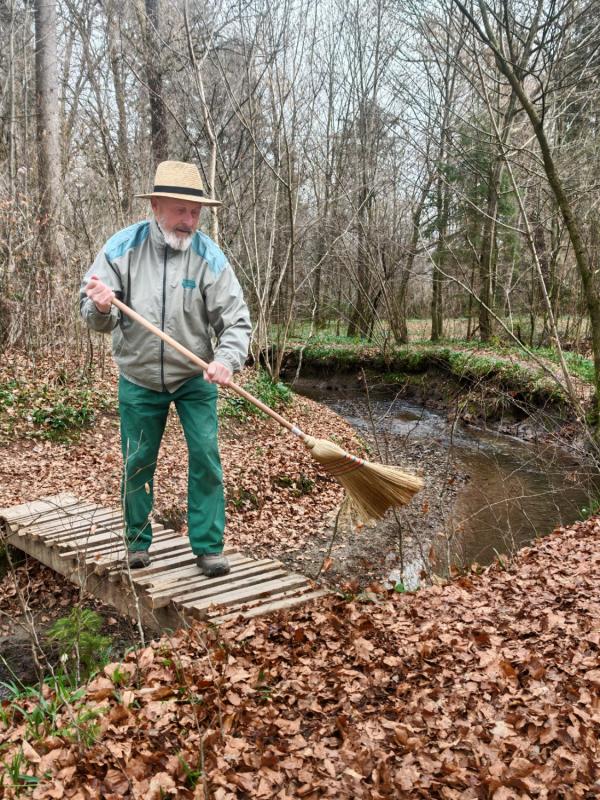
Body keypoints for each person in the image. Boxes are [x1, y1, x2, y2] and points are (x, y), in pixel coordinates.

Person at [80, 160, 251, 576]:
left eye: (195, 212)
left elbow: (236, 321)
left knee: (206, 457)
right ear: (156, 206)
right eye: (180, 210)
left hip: (194, 376)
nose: (189, 221)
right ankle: (137, 543)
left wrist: (226, 360)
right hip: (138, 377)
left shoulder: (210, 258)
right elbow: (95, 315)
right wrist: (100, 306)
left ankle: (208, 547)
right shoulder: (121, 249)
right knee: (137, 460)